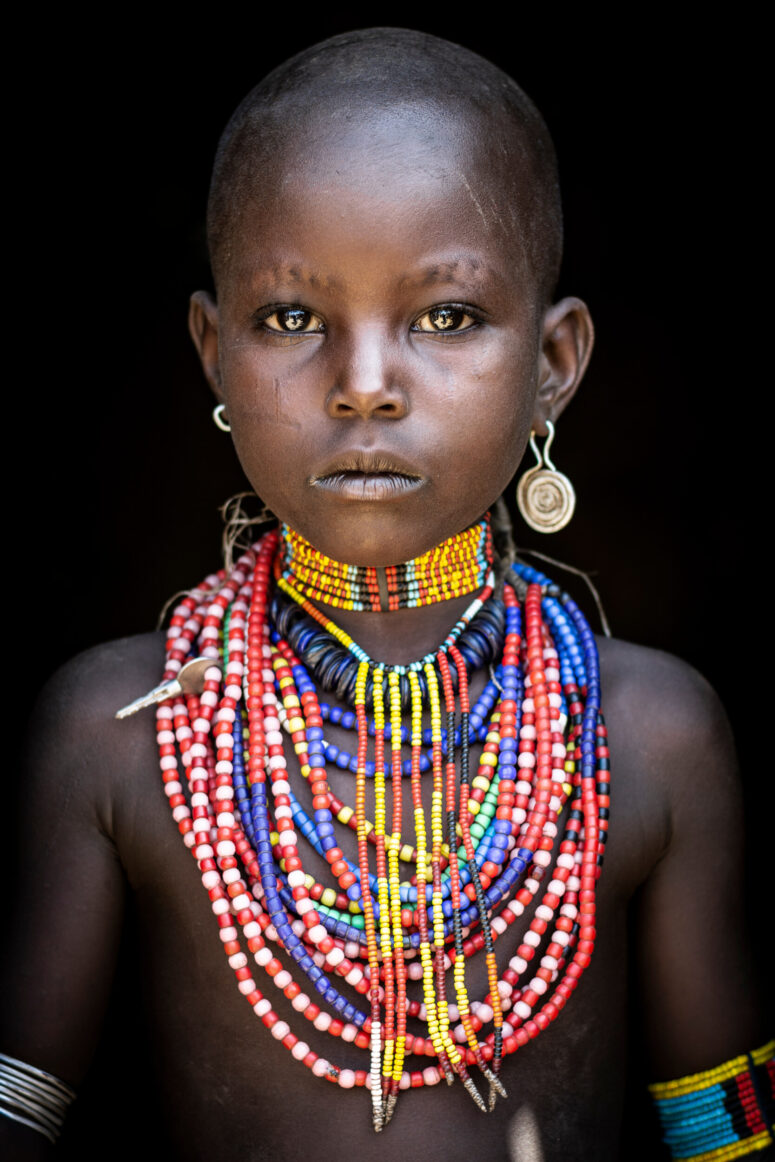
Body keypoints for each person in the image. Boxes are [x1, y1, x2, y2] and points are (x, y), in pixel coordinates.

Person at [2, 27, 771, 1162]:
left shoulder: (651, 738)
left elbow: (725, 1140)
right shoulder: (120, 732)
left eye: (445, 317)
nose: (363, 387)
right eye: (292, 320)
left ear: (555, 362)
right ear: (212, 351)